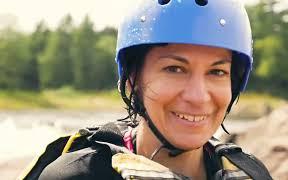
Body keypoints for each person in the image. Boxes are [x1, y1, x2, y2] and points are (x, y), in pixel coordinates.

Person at [20, 0, 272, 179]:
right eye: (174, 69)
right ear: (132, 79)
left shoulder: (252, 173)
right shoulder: (79, 175)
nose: (198, 96)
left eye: (217, 72)